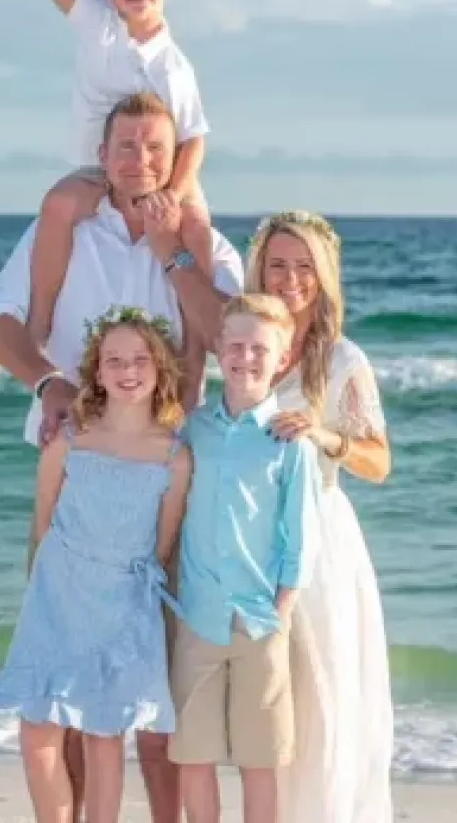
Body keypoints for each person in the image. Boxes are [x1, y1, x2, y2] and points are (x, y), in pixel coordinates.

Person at [0, 91, 243, 823]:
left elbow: (230, 337)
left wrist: (176, 255)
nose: (140, 160)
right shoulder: (66, 226)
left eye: (156, 146)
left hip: (165, 474)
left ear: (178, 154)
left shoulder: (202, 240)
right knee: (59, 710)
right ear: (102, 154)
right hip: (78, 473)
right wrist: (49, 380)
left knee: (147, 706)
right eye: (126, 146)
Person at [0, 0, 213, 412]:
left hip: (167, 174)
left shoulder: (174, 67)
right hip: (98, 170)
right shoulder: (97, 23)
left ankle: (193, 376)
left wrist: (175, 197)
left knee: (198, 236)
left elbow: (194, 140)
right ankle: (39, 323)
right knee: (59, 204)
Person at [0, 306, 191, 823]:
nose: (128, 370)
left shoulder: (174, 455)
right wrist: (39, 597)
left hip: (124, 603)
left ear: (161, 366)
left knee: (105, 736)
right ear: (96, 372)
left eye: (140, 359)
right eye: (115, 360)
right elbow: (41, 525)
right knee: (37, 732)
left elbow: (163, 547)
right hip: (56, 597)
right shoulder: (71, 439)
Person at [246, 210, 394, 823]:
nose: (289, 278)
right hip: (249, 538)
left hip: (321, 543)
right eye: (277, 264)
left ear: (324, 275)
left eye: (304, 266)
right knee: (268, 712)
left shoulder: (341, 359)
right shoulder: (243, 339)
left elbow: (378, 461)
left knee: (323, 704)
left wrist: (324, 436)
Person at [168, 293, 322, 823]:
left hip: (261, 621)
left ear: (282, 359)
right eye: (235, 345)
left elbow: (301, 540)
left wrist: (279, 612)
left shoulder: (290, 442)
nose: (246, 357)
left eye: (259, 348)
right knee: (193, 756)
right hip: (199, 618)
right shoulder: (193, 429)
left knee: (261, 762)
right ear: (217, 350)